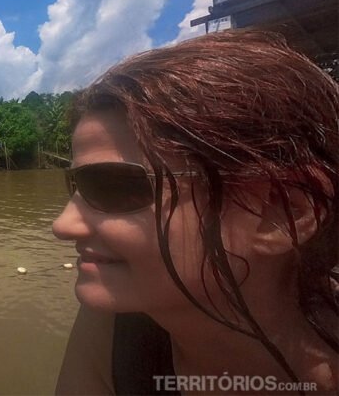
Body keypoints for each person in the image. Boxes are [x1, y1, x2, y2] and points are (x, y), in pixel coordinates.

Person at [52, 30, 338, 395]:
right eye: (76, 185)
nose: (62, 226)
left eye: (115, 186)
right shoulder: (118, 319)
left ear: (281, 213)